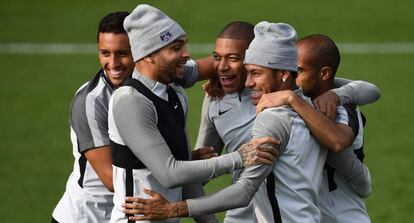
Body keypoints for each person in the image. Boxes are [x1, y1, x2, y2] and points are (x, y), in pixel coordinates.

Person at [121, 22, 377, 222]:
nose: (248, 81)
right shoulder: (313, 111)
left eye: (255, 73)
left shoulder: (276, 118)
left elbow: (244, 191)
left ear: (285, 74)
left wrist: (173, 209)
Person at [51, 10, 228, 223]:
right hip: (90, 216)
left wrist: (224, 77)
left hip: (140, 210)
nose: (113, 64)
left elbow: (217, 64)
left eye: (122, 53)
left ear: (141, 51)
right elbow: (112, 179)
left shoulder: (163, 77)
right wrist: (185, 165)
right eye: (105, 53)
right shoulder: (91, 102)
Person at [107, 5, 278, 223]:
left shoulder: (175, 94)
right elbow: (170, 174)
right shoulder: (130, 101)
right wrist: (239, 158)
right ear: (148, 55)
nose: (186, 54)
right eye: (176, 48)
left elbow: (187, 182)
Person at [266, 34, 372, 222]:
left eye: (298, 71)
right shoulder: (299, 99)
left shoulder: (343, 110)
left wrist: (293, 100)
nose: (289, 77)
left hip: (342, 216)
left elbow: (337, 142)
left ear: (324, 74)